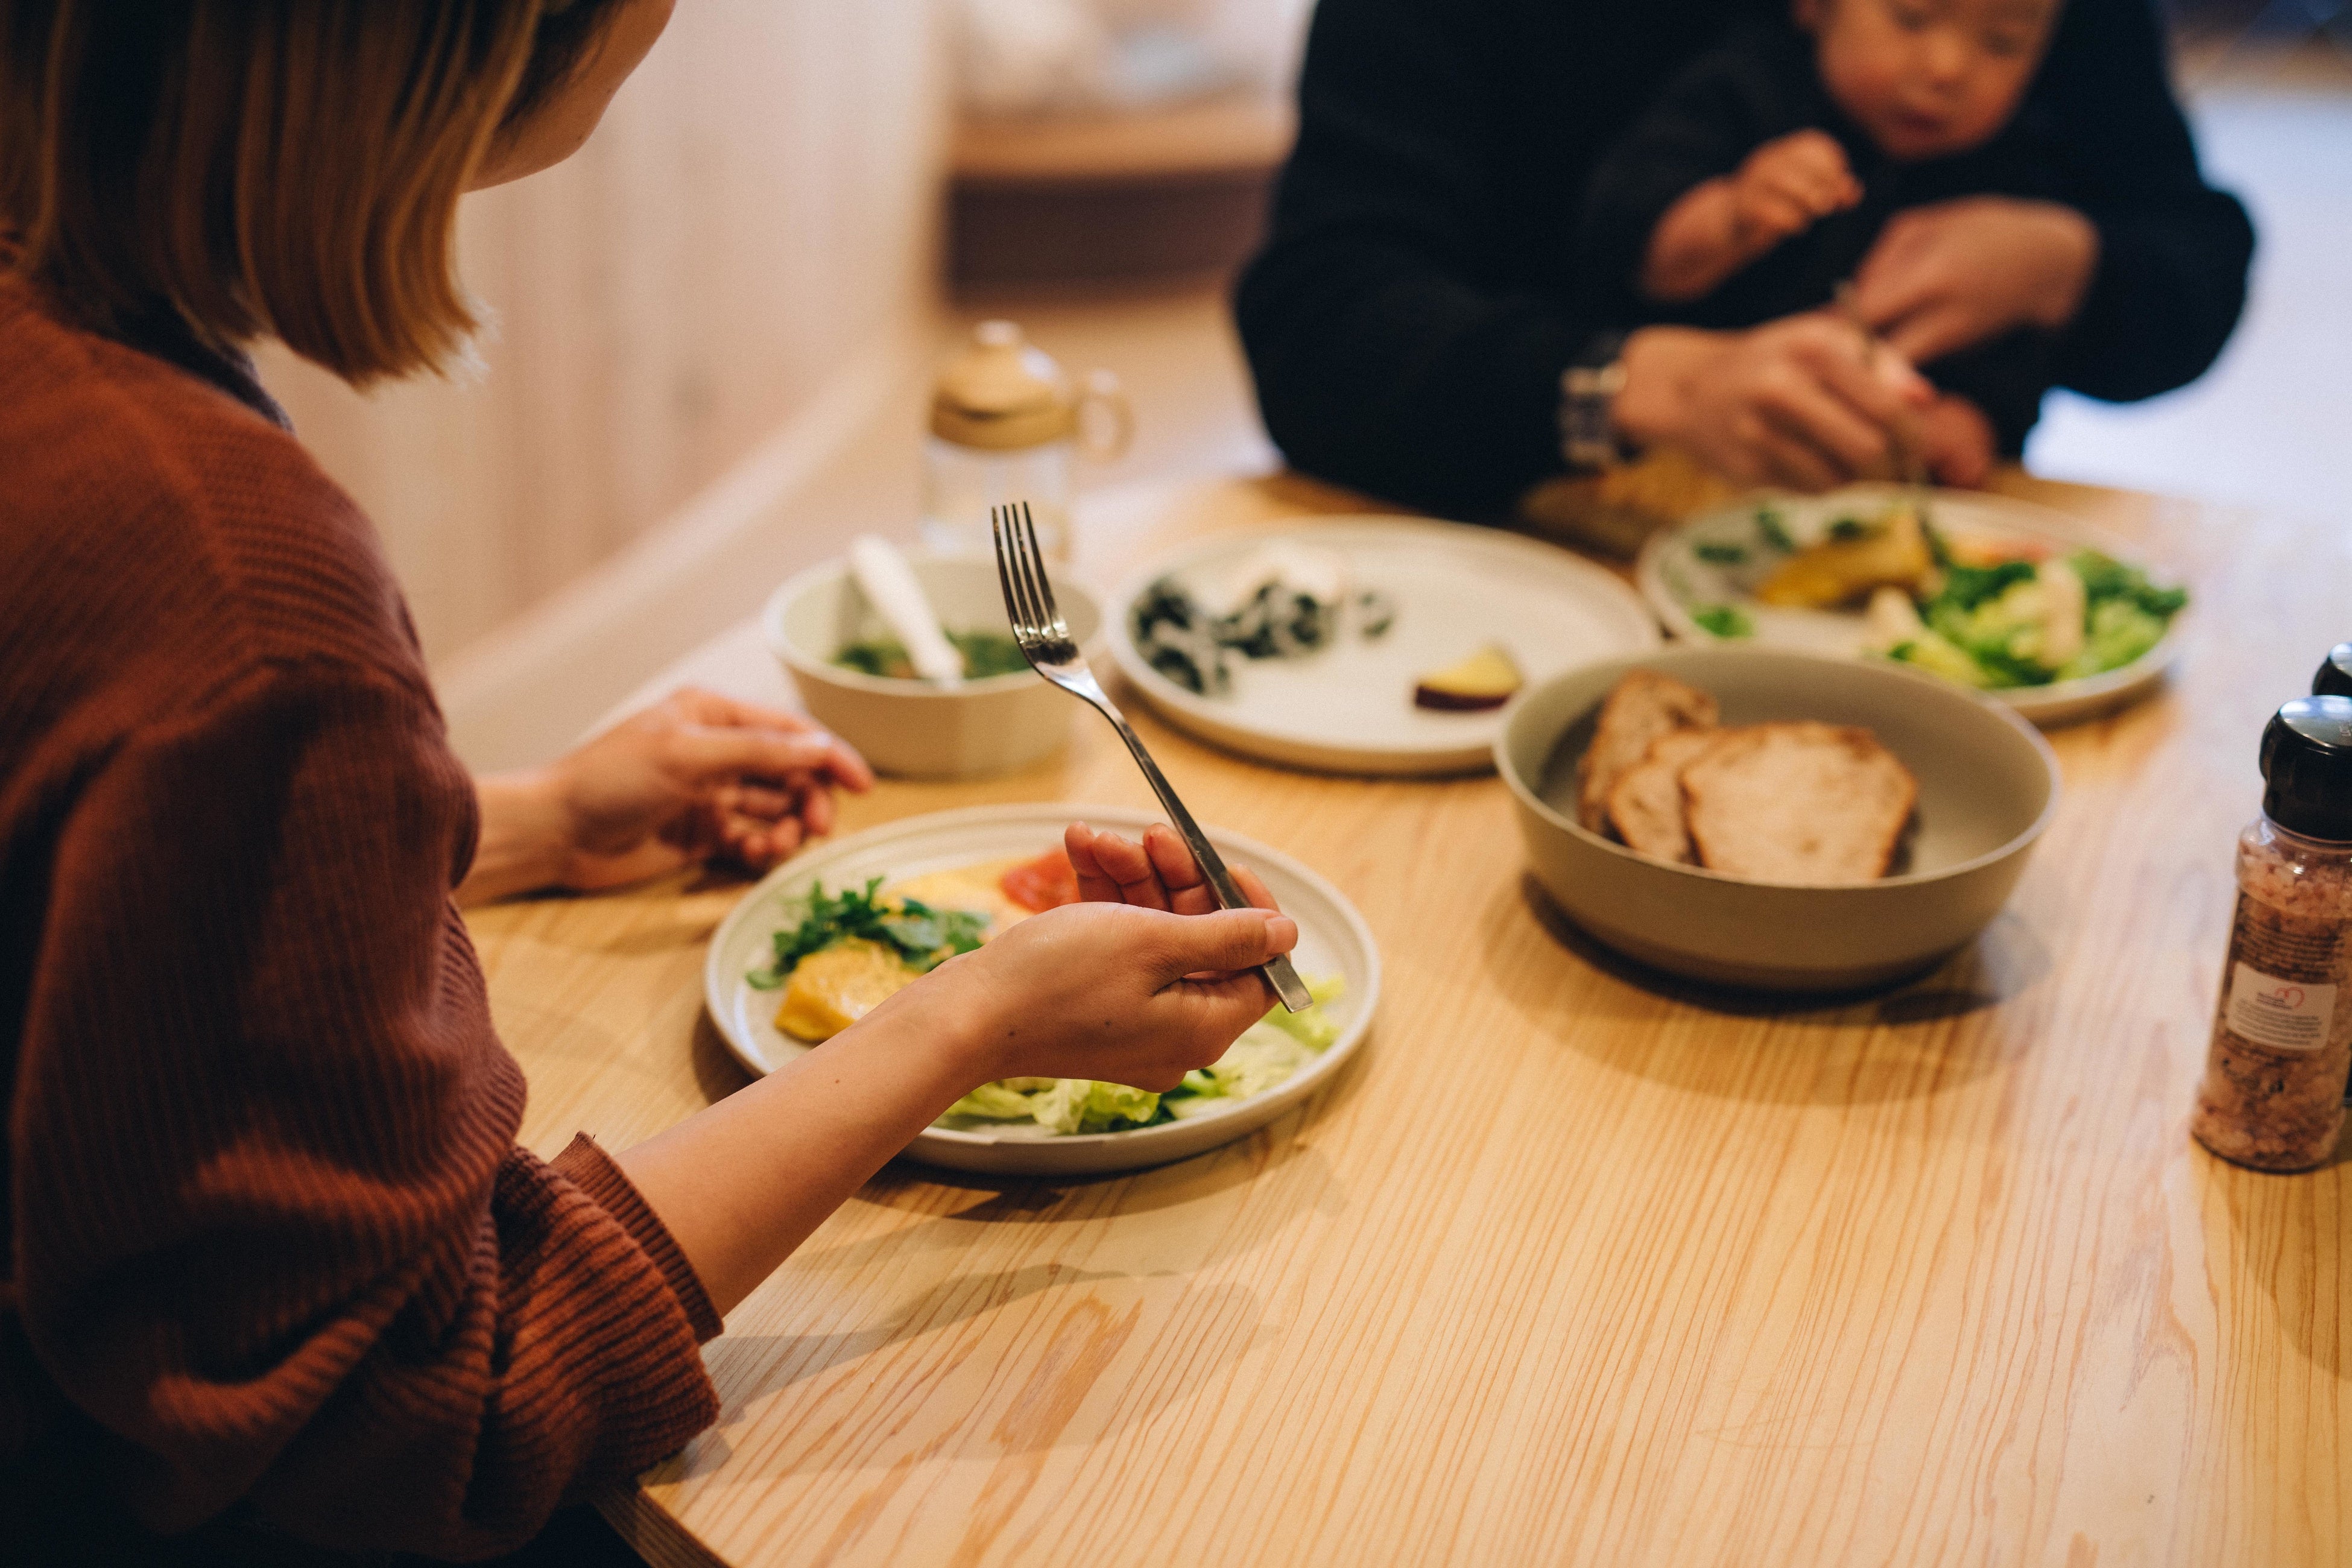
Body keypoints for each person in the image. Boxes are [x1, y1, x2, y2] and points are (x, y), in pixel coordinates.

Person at [0, 2, 1298, 1561]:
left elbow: (82, 920)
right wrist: (963, 1023)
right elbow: (414, 1434)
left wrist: (502, 824)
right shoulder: (242, 593)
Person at [1234, 0, 2254, 516]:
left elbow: (2195, 254)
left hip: (1910, 590)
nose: (1947, 65)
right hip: (1514, 547)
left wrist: (2064, 263)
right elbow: (1318, 329)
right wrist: (1639, 383)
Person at [1577, 0, 2077, 484]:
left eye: (2004, 44)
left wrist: (1974, 416)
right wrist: (1731, 215)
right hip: (1675, 469)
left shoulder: (2008, 163)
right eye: (1911, 17)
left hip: (1862, 487)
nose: (1949, 69)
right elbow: (1628, 250)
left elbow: (2015, 349)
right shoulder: (1745, 86)